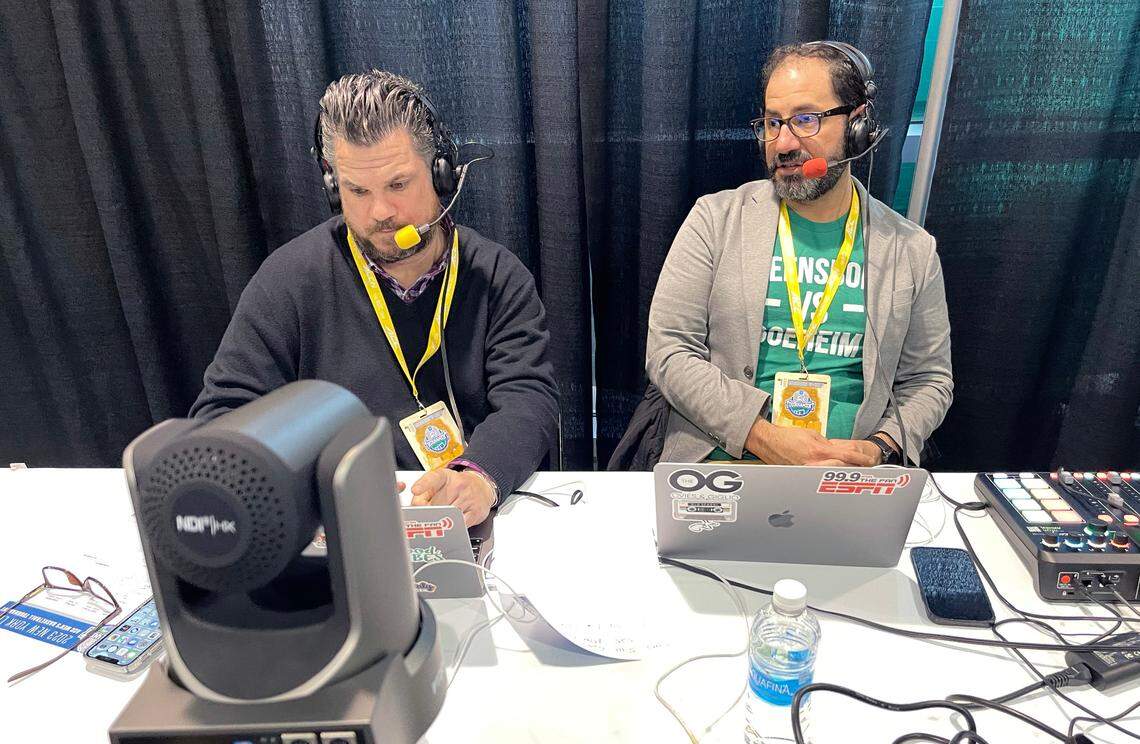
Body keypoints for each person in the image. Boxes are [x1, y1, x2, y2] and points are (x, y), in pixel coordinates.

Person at [191, 70, 559, 525]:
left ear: (441, 174)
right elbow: (223, 415)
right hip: (338, 519)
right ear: (332, 188)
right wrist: (314, 487)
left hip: (462, 517)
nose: (380, 213)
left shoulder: (497, 276)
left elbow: (529, 398)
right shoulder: (289, 280)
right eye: (357, 191)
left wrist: (478, 478)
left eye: (398, 185)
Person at [645, 41, 952, 467]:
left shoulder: (912, 250)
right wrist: (762, 437)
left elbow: (929, 380)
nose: (783, 143)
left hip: (849, 477)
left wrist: (878, 447)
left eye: (806, 120)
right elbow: (669, 350)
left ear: (857, 125)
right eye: (773, 122)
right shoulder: (714, 219)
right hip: (722, 465)